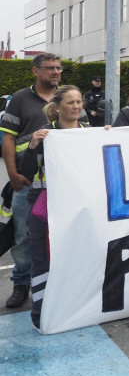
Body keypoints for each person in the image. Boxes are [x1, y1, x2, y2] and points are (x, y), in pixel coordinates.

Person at [23, 85, 90, 328]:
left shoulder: (90, 132)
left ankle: (75, 309)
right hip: (45, 207)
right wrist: (32, 147)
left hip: (80, 207)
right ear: (58, 106)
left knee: (79, 256)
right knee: (42, 259)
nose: (76, 106)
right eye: (71, 102)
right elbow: (27, 173)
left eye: (79, 102)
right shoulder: (44, 134)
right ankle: (40, 315)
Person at [0, 52, 62, 308]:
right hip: (27, 182)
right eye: (50, 68)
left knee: (58, 234)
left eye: (59, 68)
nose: (56, 72)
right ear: (36, 71)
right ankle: (21, 283)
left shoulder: (66, 97)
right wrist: (13, 174)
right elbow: (8, 138)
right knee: (23, 236)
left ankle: (55, 283)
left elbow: (84, 134)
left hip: (61, 183)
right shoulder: (20, 99)